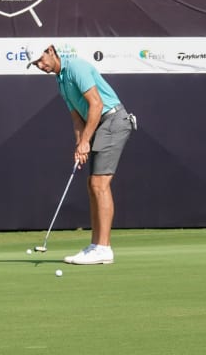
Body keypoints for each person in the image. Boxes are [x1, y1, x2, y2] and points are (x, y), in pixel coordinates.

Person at [28, 45, 134, 265]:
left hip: (113, 120)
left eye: (41, 59)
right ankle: (96, 245)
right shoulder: (60, 80)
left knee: (99, 184)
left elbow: (96, 104)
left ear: (51, 50)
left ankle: (104, 248)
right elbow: (77, 118)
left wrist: (86, 141)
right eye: (35, 64)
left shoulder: (76, 67)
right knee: (91, 184)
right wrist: (79, 146)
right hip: (98, 125)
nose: (40, 66)